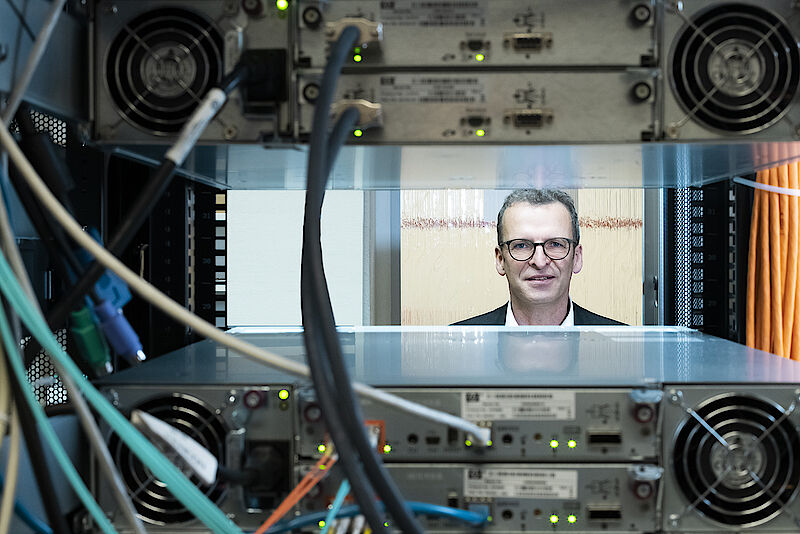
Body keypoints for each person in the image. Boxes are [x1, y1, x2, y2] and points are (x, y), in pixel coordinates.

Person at [453, 189, 623, 326]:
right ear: (500, 260)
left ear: (576, 257)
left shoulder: (621, 348)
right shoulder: (459, 346)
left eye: (555, 244)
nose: (540, 262)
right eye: (521, 245)